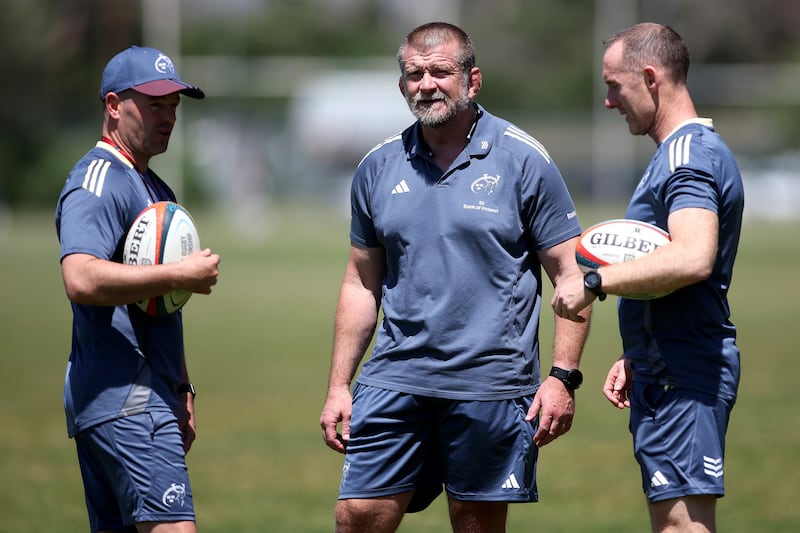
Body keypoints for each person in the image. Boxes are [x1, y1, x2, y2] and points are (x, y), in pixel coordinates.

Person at [319, 22, 591, 533]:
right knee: (356, 518)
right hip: (394, 377)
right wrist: (339, 385)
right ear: (402, 85)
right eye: (414, 74)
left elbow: (569, 275)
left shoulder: (523, 160)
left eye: (441, 72)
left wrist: (562, 377)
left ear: (473, 80)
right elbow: (360, 282)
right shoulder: (377, 167)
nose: (427, 84)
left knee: (475, 526)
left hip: (490, 385)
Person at [552, 23, 744, 532]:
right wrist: (637, 348)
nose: (609, 101)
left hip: (685, 369)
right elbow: (670, 274)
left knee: (684, 525)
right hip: (665, 363)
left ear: (651, 77)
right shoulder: (674, 155)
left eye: (615, 85)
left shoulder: (688, 155)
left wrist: (594, 283)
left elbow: (692, 257)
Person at [55, 46, 220, 533]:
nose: (168, 117)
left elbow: (161, 309)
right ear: (113, 105)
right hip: (124, 396)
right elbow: (80, 277)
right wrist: (178, 274)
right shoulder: (99, 180)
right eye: (154, 104)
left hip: (147, 395)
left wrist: (182, 387)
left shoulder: (155, 188)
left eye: (173, 105)